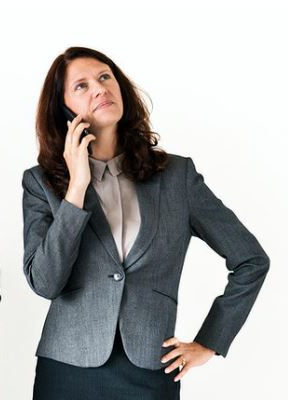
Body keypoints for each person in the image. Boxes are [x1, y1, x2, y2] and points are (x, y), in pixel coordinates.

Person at [22, 46, 270, 399]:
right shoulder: (41, 183)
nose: (99, 88)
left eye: (105, 77)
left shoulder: (176, 176)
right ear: (64, 109)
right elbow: (45, 282)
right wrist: (77, 188)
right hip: (67, 370)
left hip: (152, 369)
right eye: (81, 86)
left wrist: (209, 342)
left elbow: (251, 260)